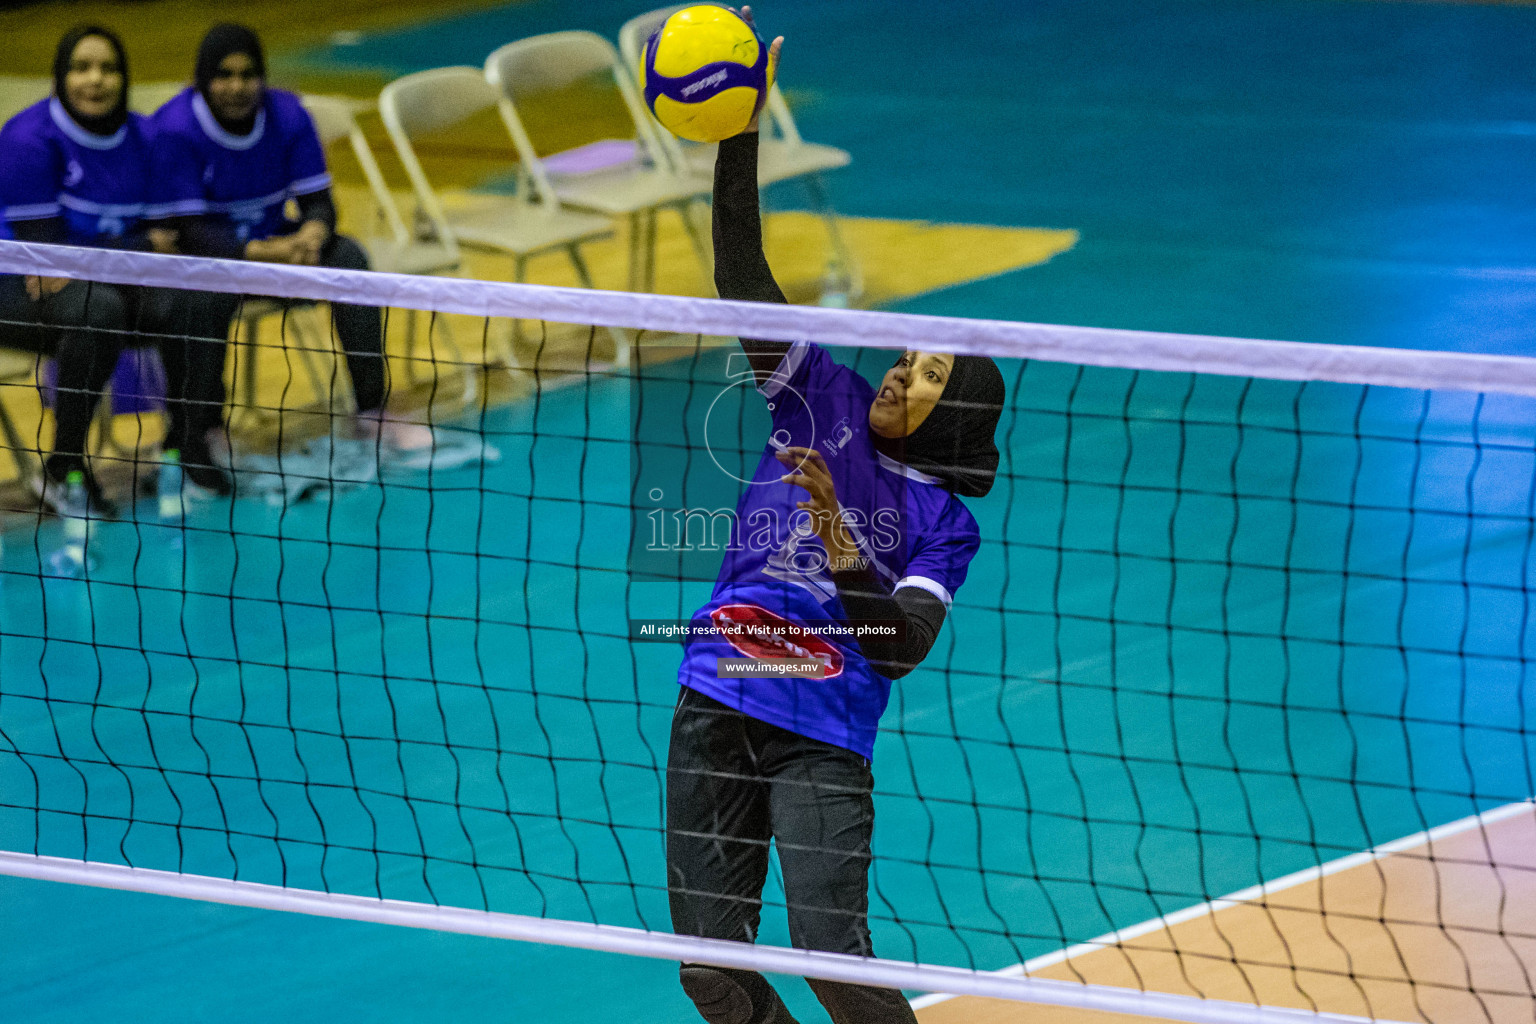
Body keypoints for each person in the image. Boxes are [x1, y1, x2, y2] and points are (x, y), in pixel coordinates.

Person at [666, 14, 1006, 1024]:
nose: (907, 364)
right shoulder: (823, 397)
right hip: (715, 704)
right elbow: (742, 279)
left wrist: (844, 538)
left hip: (820, 739)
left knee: (834, 959)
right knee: (707, 967)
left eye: (932, 373)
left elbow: (898, 647)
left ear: (957, 412)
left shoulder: (944, 521)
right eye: (912, 355)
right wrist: (740, 127)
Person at [146, 23, 430, 454]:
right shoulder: (175, 128)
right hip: (209, 257)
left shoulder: (289, 115)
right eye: (224, 75)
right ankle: (206, 428)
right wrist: (264, 252)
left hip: (279, 245)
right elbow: (190, 232)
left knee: (349, 257)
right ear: (203, 80)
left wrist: (313, 234)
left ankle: (373, 410)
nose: (237, 87)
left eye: (248, 75)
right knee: (201, 298)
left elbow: (320, 202)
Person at [0, 24, 232, 514]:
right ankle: (62, 469)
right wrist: (136, 245)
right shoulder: (27, 139)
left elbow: (165, 236)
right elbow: (46, 255)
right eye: (81, 68)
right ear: (61, 76)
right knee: (96, 308)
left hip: (108, 280)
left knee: (197, 298)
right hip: (16, 288)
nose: (96, 80)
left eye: (108, 68)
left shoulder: (148, 136)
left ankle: (186, 447)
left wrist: (125, 249)